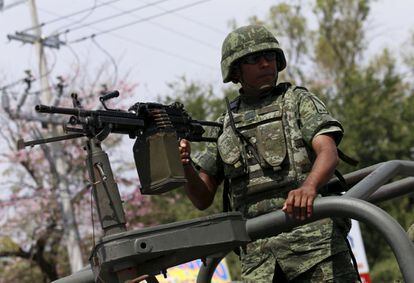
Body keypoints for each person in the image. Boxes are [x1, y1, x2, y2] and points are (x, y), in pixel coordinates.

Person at [179, 25, 359, 282]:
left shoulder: (297, 101)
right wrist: (184, 165)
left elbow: (328, 152)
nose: (265, 64)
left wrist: (309, 187)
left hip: (315, 246)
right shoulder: (224, 126)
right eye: (254, 59)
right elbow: (202, 197)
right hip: (259, 263)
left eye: (270, 57)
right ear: (236, 70)